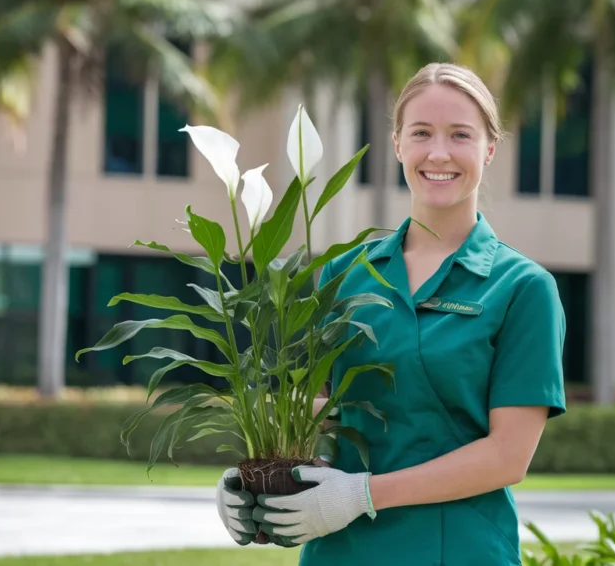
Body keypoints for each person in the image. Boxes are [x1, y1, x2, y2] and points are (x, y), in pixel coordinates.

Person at [215, 62, 567, 566]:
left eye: (460, 135)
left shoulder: (523, 288)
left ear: (489, 149)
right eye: (421, 133)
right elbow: (324, 413)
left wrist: (362, 495)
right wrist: (252, 477)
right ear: (397, 144)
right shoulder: (344, 272)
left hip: (457, 550)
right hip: (340, 550)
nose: (438, 152)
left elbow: (507, 457)